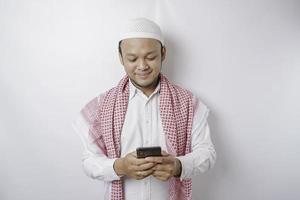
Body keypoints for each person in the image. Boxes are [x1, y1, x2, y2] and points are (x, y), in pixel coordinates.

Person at [72, 17, 216, 200]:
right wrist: (120, 167)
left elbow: (207, 153)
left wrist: (178, 166)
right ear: (120, 57)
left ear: (163, 53)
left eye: (151, 57)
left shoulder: (187, 102)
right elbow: (89, 161)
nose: (142, 66)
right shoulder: (102, 105)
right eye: (132, 59)